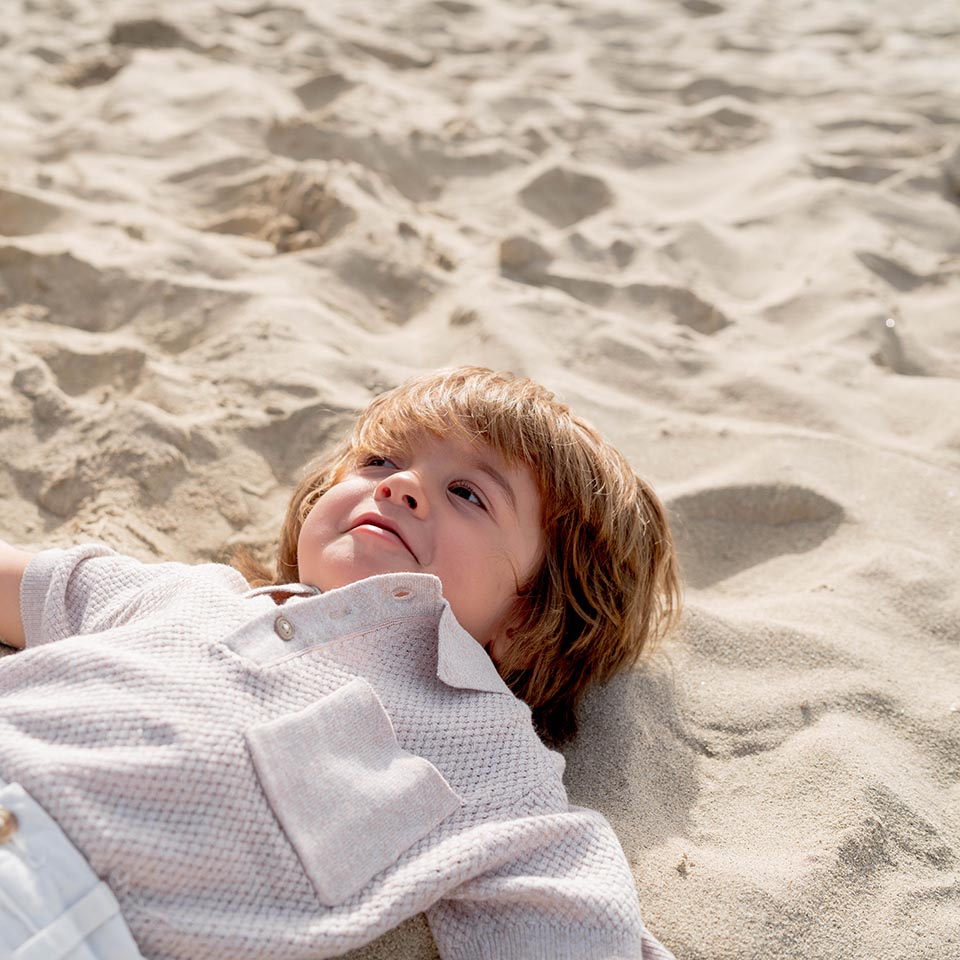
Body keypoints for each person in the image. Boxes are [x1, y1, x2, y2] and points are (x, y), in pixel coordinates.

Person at [0, 366, 681, 960]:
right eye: (379, 461)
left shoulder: (485, 752)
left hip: (49, 904)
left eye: (468, 493)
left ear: (528, 616)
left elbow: (572, 920)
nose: (401, 486)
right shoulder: (192, 594)